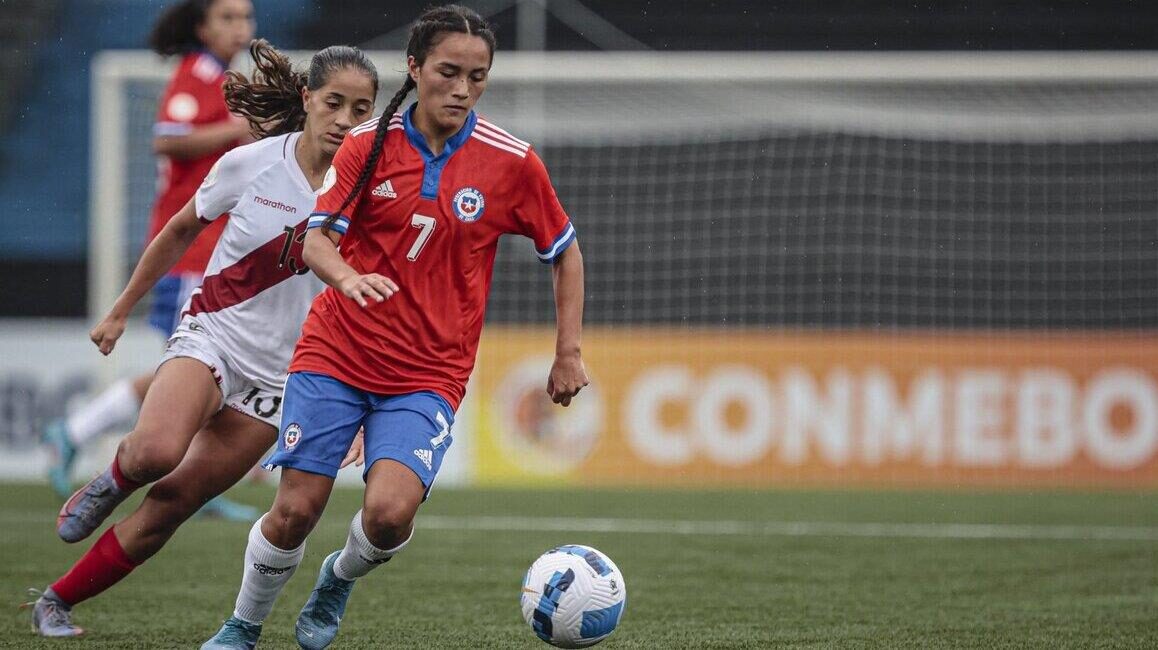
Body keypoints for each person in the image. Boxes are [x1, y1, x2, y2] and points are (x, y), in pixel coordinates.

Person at [202, 5, 589, 649]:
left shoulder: (512, 163)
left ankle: (338, 577)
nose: (462, 89)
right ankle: (241, 627)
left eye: (478, 76)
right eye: (448, 72)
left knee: (387, 515)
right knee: (295, 509)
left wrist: (568, 351)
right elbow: (318, 240)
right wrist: (348, 280)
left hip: (429, 372)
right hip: (337, 352)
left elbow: (565, 251)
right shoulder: (366, 144)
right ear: (415, 69)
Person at [24, 39, 380, 639]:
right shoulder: (252, 163)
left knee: (172, 505)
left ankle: (56, 601)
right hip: (212, 335)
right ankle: (113, 477)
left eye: (360, 109)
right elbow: (181, 228)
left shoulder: (371, 194)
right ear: (307, 99)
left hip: (277, 383)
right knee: (155, 454)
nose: (345, 121)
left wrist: (364, 405)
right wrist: (119, 310)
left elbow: (371, 305)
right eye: (334, 103)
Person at [42, 0, 259, 523]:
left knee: (197, 370)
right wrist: (237, 129)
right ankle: (79, 434)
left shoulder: (223, 76)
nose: (241, 27)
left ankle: (95, 440)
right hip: (194, 250)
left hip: (217, 248)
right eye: (228, 17)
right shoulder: (197, 72)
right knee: (195, 370)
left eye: (246, 17)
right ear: (203, 26)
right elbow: (168, 138)